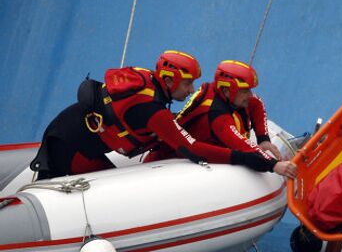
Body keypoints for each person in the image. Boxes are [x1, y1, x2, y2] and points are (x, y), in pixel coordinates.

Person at [30, 50, 296, 180]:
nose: (191, 89)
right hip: (71, 146)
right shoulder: (152, 110)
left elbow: (255, 104)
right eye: (186, 84)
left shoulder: (149, 84)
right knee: (105, 193)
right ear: (168, 81)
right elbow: (193, 149)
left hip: (74, 133)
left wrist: (261, 138)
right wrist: (262, 163)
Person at [145, 60, 292, 174]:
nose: (250, 95)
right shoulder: (217, 117)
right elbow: (242, 147)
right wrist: (274, 165)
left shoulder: (220, 92)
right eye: (245, 91)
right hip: (167, 158)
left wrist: (263, 139)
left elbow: (256, 103)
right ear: (227, 91)